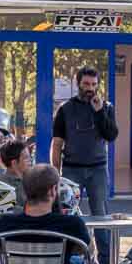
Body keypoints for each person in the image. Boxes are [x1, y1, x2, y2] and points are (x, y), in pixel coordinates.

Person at [50, 66, 117, 217]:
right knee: (67, 214)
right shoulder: (65, 109)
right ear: (78, 84)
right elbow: (57, 143)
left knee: (101, 214)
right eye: (86, 84)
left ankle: (103, 242)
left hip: (98, 170)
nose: (90, 88)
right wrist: (56, 172)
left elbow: (111, 136)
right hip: (71, 170)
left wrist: (99, 112)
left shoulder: (106, 108)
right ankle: (70, 241)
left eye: (94, 84)